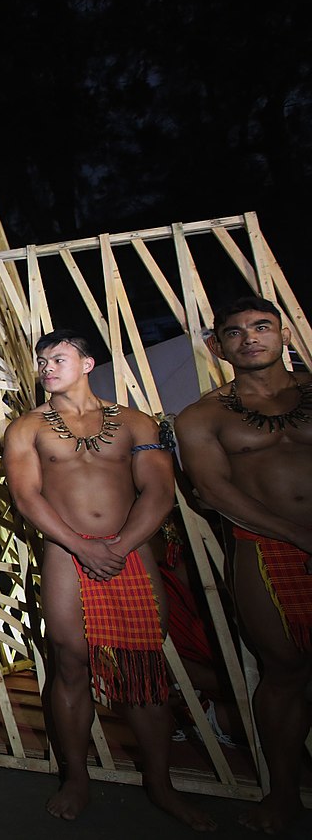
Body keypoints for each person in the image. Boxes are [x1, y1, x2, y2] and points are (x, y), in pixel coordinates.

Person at [2, 330, 215, 830]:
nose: (46, 367)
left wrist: (117, 547)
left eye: (58, 358)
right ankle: (76, 778)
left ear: (88, 362)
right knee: (71, 663)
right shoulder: (26, 429)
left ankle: (161, 785)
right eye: (40, 360)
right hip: (65, 552)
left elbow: (159, 490)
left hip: (129, 552)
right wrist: (81, 546)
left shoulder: (135, 421)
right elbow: (27, 496)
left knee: (144, 668)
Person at [175, 296, 312, 834]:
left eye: (262, 327)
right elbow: (213, 488)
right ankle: (282, 793)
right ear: (218, 345)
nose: (250, 338)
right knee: (284, 672)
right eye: (235, 332)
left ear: (283, 334)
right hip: (266, 548)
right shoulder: (202, 416)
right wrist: (298, 535)